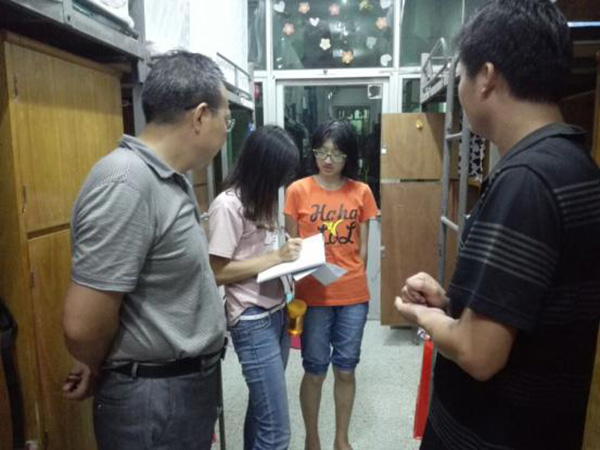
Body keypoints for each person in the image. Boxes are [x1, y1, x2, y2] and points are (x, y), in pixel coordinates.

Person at [394, 1, 600, 449]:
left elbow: (478, 353)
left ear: (486, 77)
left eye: (460, 77)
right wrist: (452, 303)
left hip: (492, 434)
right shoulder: (575, 164)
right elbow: (529, 311)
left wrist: (424, 316)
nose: (460, 89)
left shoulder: (526, 180)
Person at [62, 51, 231, 450]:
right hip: (153, 398)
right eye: (227, 119)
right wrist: (99, 361)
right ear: (201, 116)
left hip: (179, 387)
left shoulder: (170, 179)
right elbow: (82, 326)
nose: (227, 130)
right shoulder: (126, 182)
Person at [284, 120, 378, 450]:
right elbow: (291, 248)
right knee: (314, 370)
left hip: (353, 294)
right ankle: (312, 438)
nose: (327, 160)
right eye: (321, 152)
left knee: (346, 369)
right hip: (313, 295)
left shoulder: (361, 192)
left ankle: (342, 439)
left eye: (337, 154)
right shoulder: (297, 191)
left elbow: (363, 250)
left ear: (348, 156)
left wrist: (350, 273)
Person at [207, 125, 302, 450]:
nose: (283, 182)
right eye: (280, 173)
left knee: (262, 413)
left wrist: (290, 253)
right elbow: (216, 272)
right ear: (263, 168)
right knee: (277, 434)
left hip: (277, 312)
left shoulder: (263, 199)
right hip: (251, 319)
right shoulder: (227, 205)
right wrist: (276, 257)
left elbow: (260, 251)